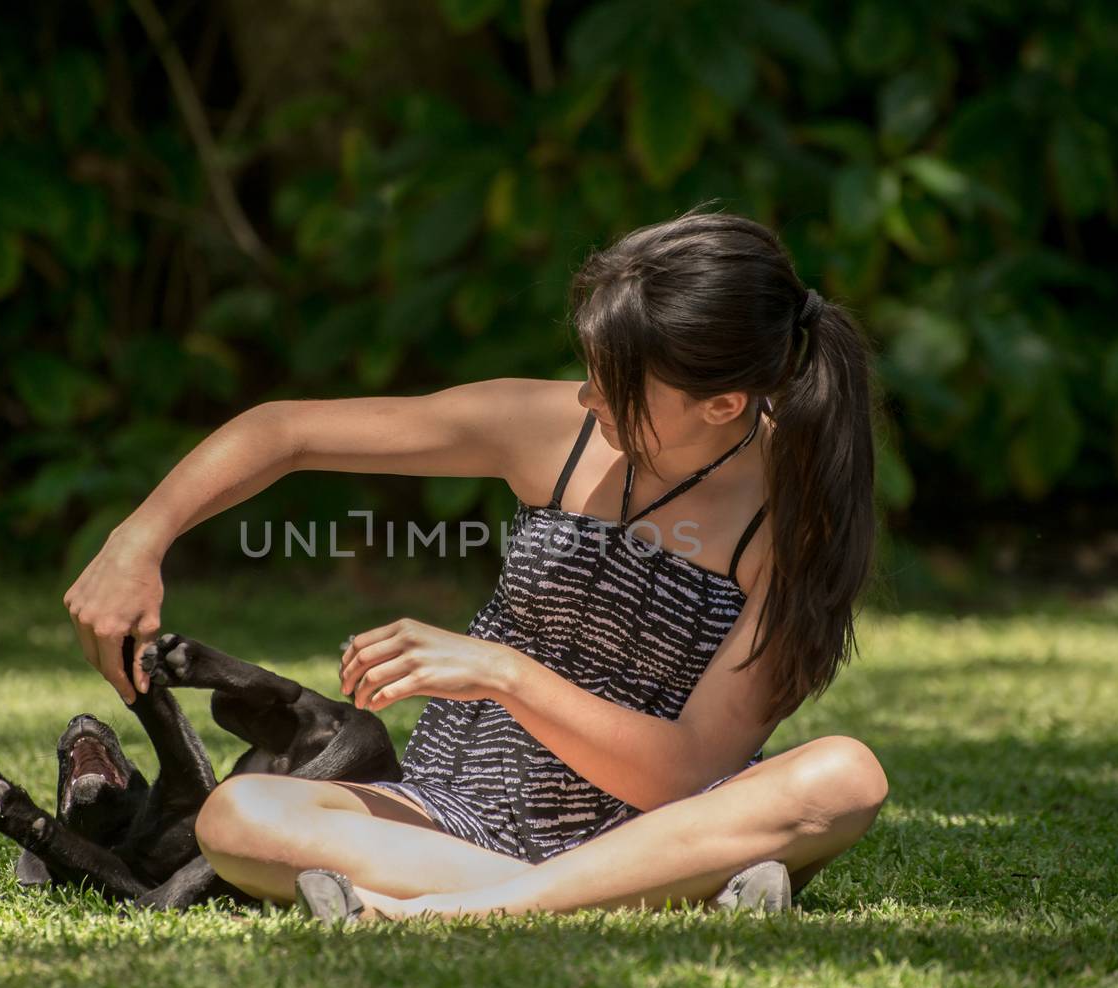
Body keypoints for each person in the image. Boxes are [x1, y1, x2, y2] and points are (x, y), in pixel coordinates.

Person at [63, 207, 888, 924]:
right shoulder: (556, 432)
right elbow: (286, 431)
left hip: (662, 823)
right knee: (237, 815)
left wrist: (503, 672)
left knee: (843, 776)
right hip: (450, 815)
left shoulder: (795, 518)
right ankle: (667, 898)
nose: (588, 401)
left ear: (723, 404)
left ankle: (463, 910)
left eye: (620, 386)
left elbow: (684, 775)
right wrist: (138, 539)